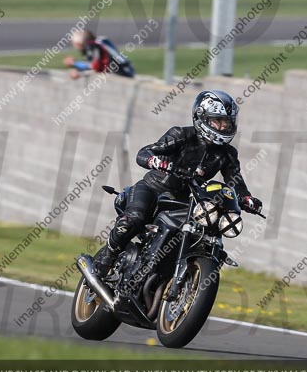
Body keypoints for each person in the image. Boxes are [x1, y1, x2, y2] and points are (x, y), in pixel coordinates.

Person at [92, 90, 263, 278]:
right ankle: (107, 257)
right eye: (218, 121)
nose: (223, 127)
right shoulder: (181, 134)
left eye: (227, 122)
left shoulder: (228, 154)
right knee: (134, 219)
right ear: (202, 118)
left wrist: (246, 199)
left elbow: (235, 181)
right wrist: (157, 161)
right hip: (153, 188)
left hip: (185, 200)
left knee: (199, 233)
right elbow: (145, 153)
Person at [64, 29, 134, 79]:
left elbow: (95, 67)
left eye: (76, 45)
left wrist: (75, 64)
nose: (77, 49)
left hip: (122, 73)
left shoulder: (95, 46)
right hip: (123, 70)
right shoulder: (98, 42)